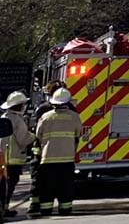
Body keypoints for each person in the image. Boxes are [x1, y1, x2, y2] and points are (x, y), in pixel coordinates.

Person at [33, 88, 81, 217]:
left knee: (47, 186)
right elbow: (78, 134)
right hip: (67, 159)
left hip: (48, 159)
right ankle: (65, 209)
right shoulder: (74, 117)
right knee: (66, 187)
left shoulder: (46, 117)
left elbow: (38, 135)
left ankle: (46, 209)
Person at [2, 91, 35, 218]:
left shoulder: (4, 117)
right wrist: (33, 136)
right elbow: (23, 139)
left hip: (3, 158)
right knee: (9, 186)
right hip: (14, 160)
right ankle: (4, 208)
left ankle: (4, 208)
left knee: (4, 186)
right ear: (20, 106)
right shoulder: (18, 121)